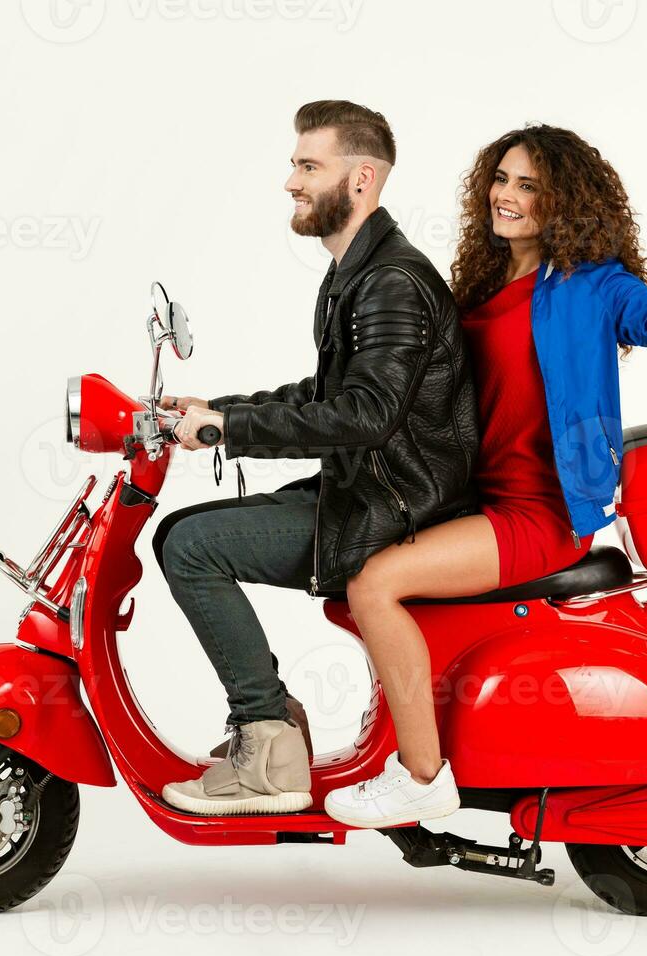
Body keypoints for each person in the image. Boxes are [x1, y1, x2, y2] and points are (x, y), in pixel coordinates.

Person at [321, 124, 647, 828]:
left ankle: (420, 776)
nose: (505, 196)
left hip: (537, 514)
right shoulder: (481, 281)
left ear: (564, 200)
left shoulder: (592, 286)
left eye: (527, 186)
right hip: (466, 500)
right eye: (500, 179)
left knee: (375, 584)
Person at [155, 100, 479, 816]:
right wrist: (215, 408)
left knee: (191, 546)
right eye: (294, 164)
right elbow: (324, 393)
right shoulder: (357, 272)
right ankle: (273, 722)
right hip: (371, 489)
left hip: (393, 508)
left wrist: (225, 431)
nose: (291, 182)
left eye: (308, 165)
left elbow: (363, 417)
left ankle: (268, 750)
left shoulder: (391, 281)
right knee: (184, 532)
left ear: (360, 179)